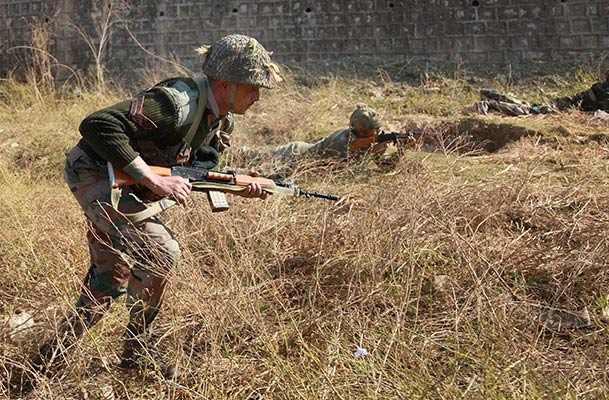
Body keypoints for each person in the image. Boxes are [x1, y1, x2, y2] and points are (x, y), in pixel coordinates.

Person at [26, 34, 281, 383]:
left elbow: (194, 172)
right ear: (225, 84)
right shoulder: (176, 103)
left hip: (125, 182)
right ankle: (137, 350)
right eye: (252, 88)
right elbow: (97, 125)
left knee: (107, 281)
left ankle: (42, 364)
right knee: (162, 251)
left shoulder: (219, 119)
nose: (258, 97)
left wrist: (238, 187)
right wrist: (150, 178)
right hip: (95, 172)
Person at [228, 105, 415, 175]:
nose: (379, 131)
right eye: (375, 129)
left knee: (257, 170)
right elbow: (349, 160)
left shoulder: (367, 142)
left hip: (300, 165)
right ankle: (227, 154)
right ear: (362, 129)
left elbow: (383, 168)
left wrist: (401, 149)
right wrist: (374, 148)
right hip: (295, 156)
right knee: (253, 158)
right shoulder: (344, 139)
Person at [464, 65, 609, 116]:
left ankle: (490, 95)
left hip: (562, 105)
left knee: (526, 105)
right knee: (526, 111)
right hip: (562, 108)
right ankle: (487, 104)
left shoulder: (607, 88)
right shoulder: (603, 90)